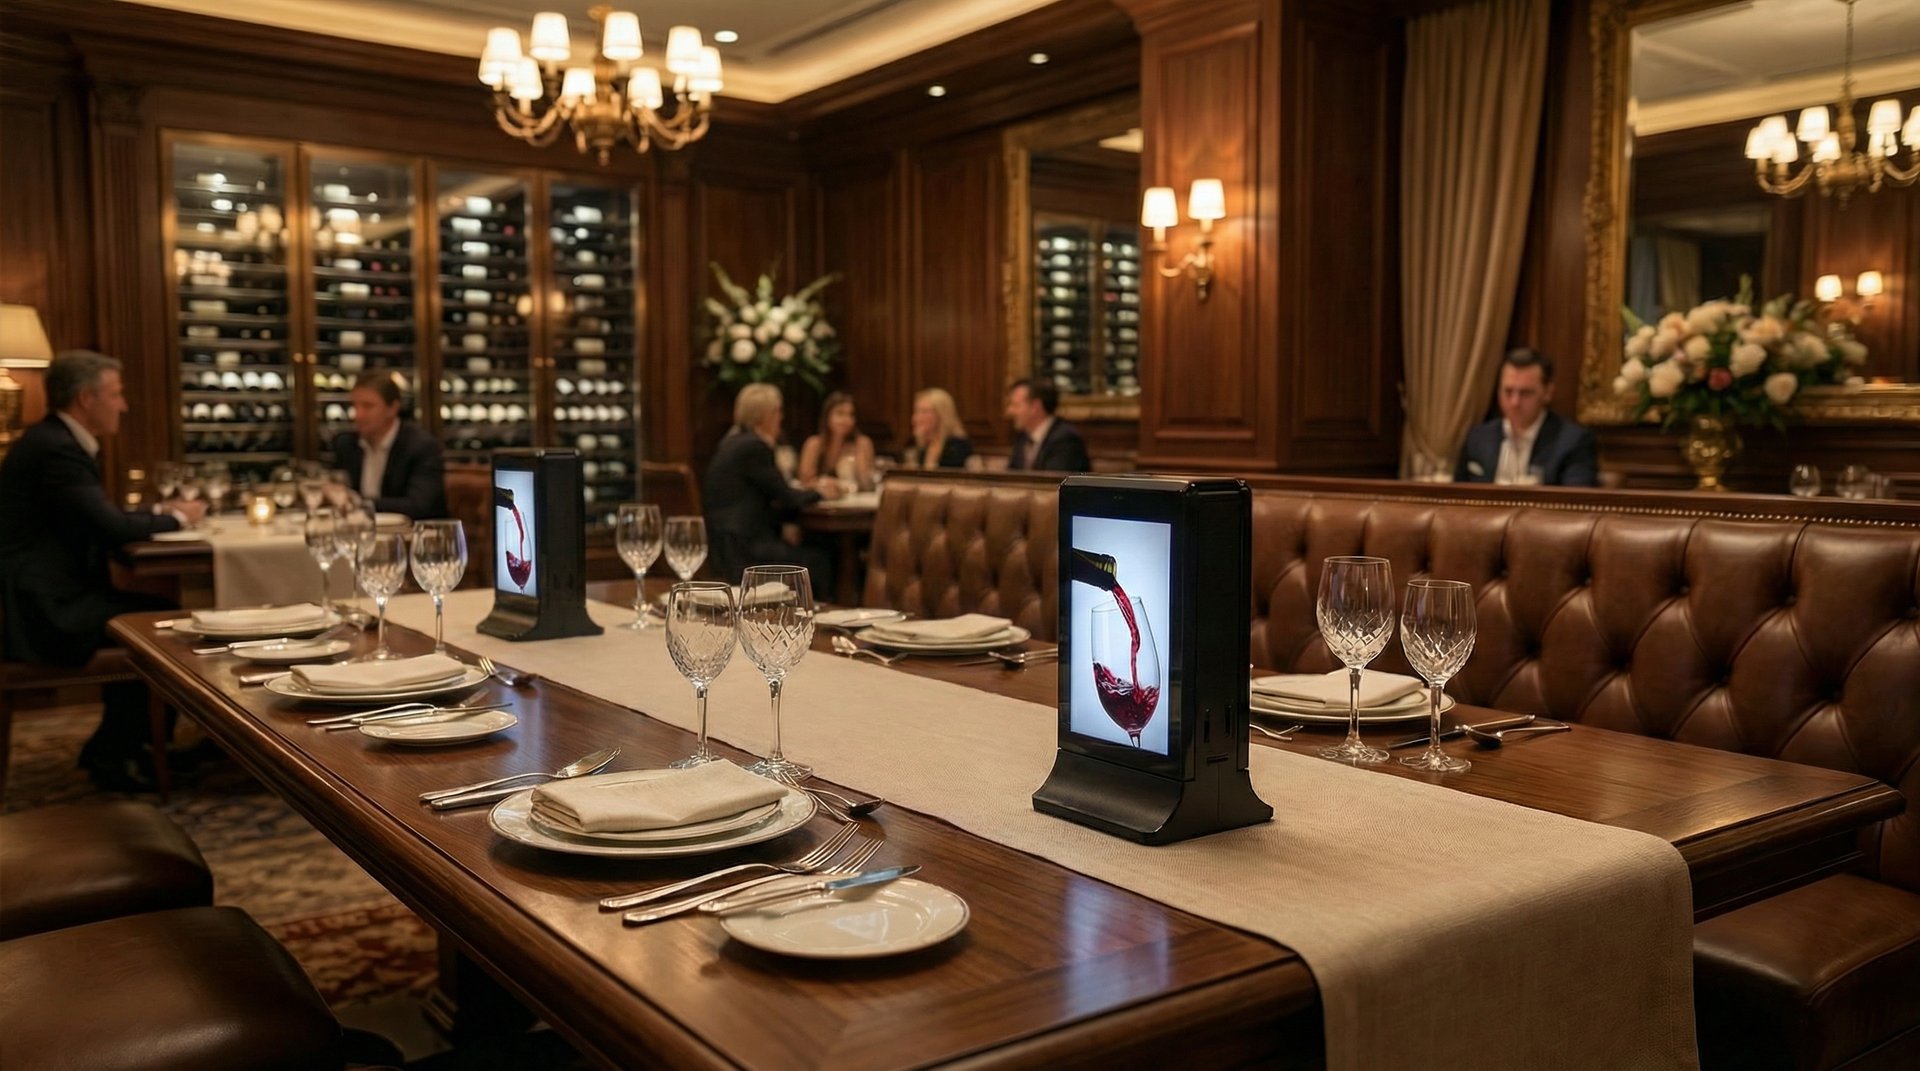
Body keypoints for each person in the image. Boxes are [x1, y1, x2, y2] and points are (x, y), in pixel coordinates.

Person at [0, 350, 208, 790]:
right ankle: (126, 752)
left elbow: (94, 516)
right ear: (85, 398)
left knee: (157, 612)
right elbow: (111, 527)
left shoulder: (52, 441)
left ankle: (125, 748)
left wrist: (157, 511)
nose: (124, 405)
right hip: (40, 613)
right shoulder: (58, 450)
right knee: (163, 623)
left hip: (37, 599)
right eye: (116, 394)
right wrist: (181, 518)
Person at [703, 384, 840, 592]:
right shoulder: (754, 447)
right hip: (745, 551)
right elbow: (787, 497)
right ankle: (815, 618)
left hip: (725, 545)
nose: (781, 418)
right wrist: (821, 492)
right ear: (767, 415)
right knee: (821, 560)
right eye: (778, 412)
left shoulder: (731, 442)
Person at [1454, 348, 1599, 487]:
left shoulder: (1573, 442)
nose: (1514, 402)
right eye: (1508, 391)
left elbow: (1577, 506)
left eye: (1525, 393)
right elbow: (1455, 498)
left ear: (1548, 392)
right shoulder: (1478, 438)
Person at [329, 371, 447, 518]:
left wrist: (359, 502)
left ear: (392, 408)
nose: (357, 415)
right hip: (359, 533)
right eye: (355, 406)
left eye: (368, 406)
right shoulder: (346, 444)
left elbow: (417, 506)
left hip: (410, 536)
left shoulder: (421, 447)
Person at [1003, 378, 1091, 472]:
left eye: (1015, 405)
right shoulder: (1022, 437)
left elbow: (1053, 482)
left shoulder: (1066, 440)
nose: (1009, 411)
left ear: (1035, 406)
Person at [797, 391, 875, 489]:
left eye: (851, 415)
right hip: (821, 501)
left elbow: (867, 483)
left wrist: (859, 449)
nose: (846, 420)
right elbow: (805, 481)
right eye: (840, 413)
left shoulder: (862, 443)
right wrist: (829, 484)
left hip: (855, 501)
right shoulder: (814, 444)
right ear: (827, 417)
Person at [901, 387, 973, 469]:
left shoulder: (958, 447)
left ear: (942, 414)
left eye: (924, 411)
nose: (916, 418)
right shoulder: (920, 447)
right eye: (916, 411)